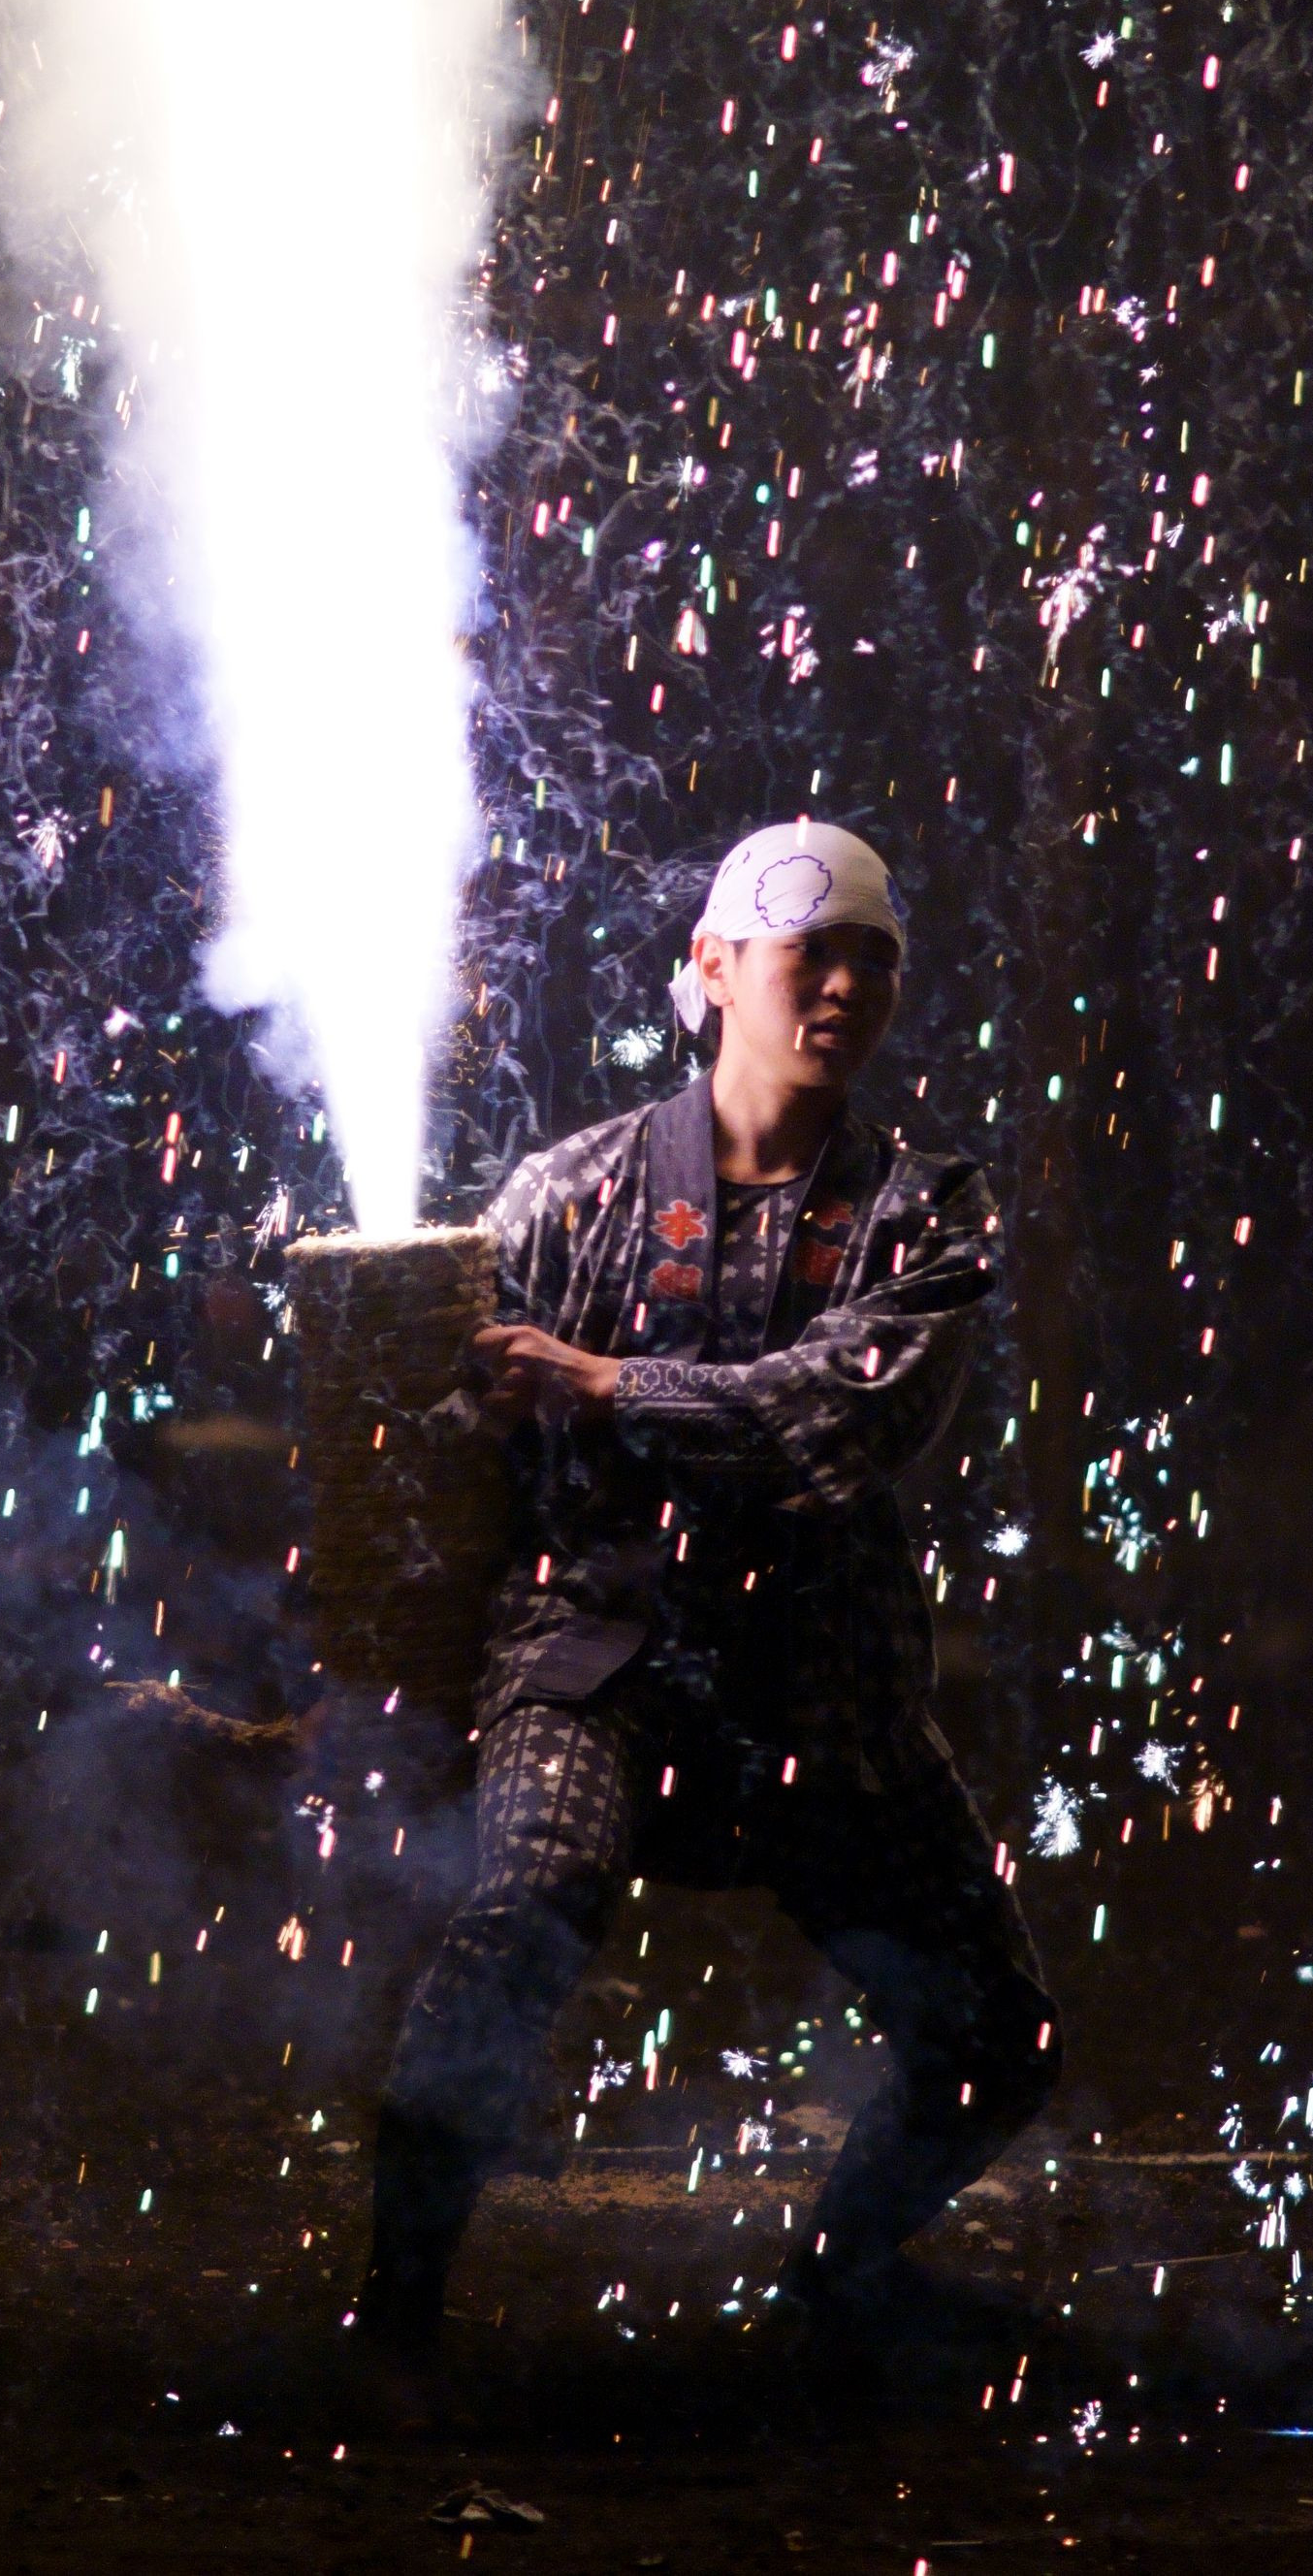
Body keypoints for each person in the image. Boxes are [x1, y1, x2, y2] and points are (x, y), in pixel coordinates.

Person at [351, 821, 1060, 2371]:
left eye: (874, 958)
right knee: (521, 1906)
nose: (846, 984)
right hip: (595, 1655)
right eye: (812, 951)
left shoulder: (925, 1210)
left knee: (998, 2035)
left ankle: (841, 2275)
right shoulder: (567, 1194)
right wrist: (383, 1364)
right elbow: (427, 1450)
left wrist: (606, 1382)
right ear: (714, 968)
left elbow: (838, 1416)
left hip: (821, 1682)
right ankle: (390, 2316)